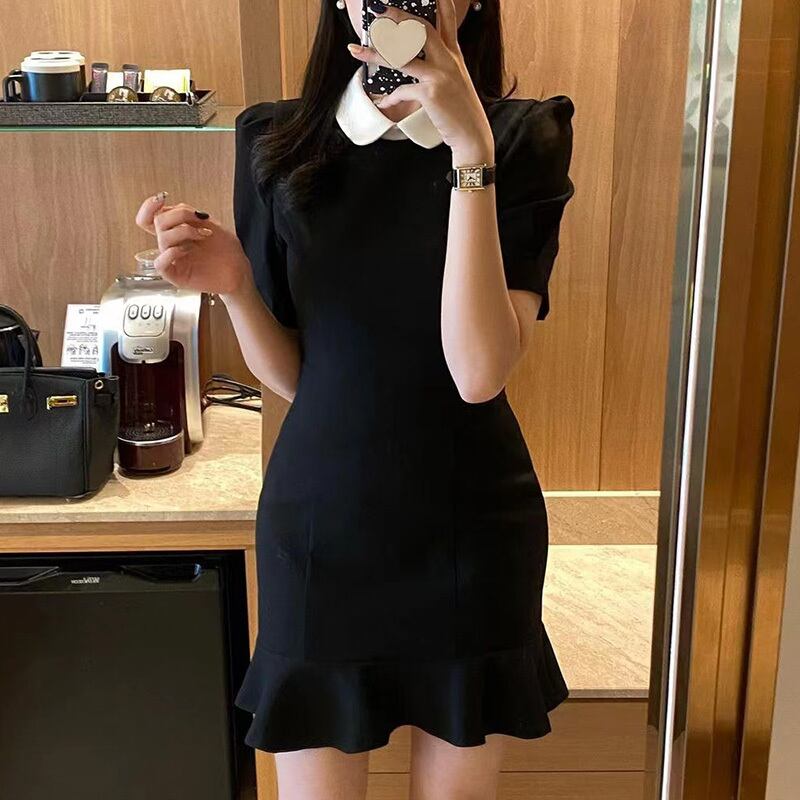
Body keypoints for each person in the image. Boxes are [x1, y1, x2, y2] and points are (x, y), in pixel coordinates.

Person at [135, 1, 575, 797]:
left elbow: (478, 372)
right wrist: (234, 287)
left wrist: (469, 150)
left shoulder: (521, 136)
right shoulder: (273, 139)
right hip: (321, 527)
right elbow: (303, 377)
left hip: (471, 526)